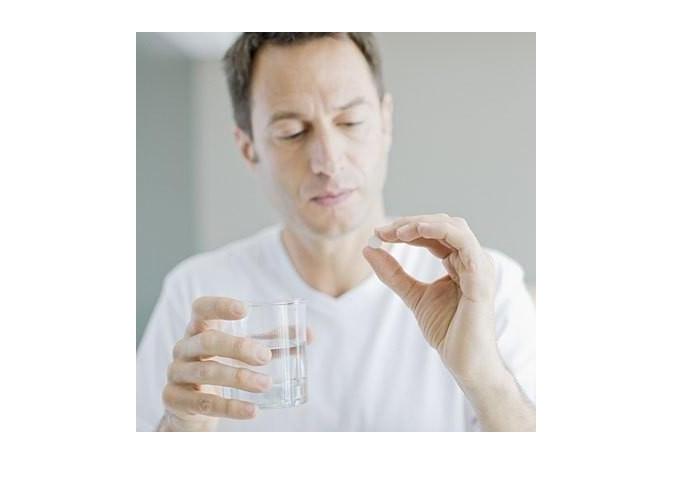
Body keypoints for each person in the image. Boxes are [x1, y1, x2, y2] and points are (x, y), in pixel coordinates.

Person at [136, 32, 536, 431]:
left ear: (385, 122)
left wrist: (485, 379)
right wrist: (180, 428)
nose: (328, 161)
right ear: (248, 148)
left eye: (350, 122)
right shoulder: (196, 293)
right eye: (292, 132)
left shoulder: (483, 288)